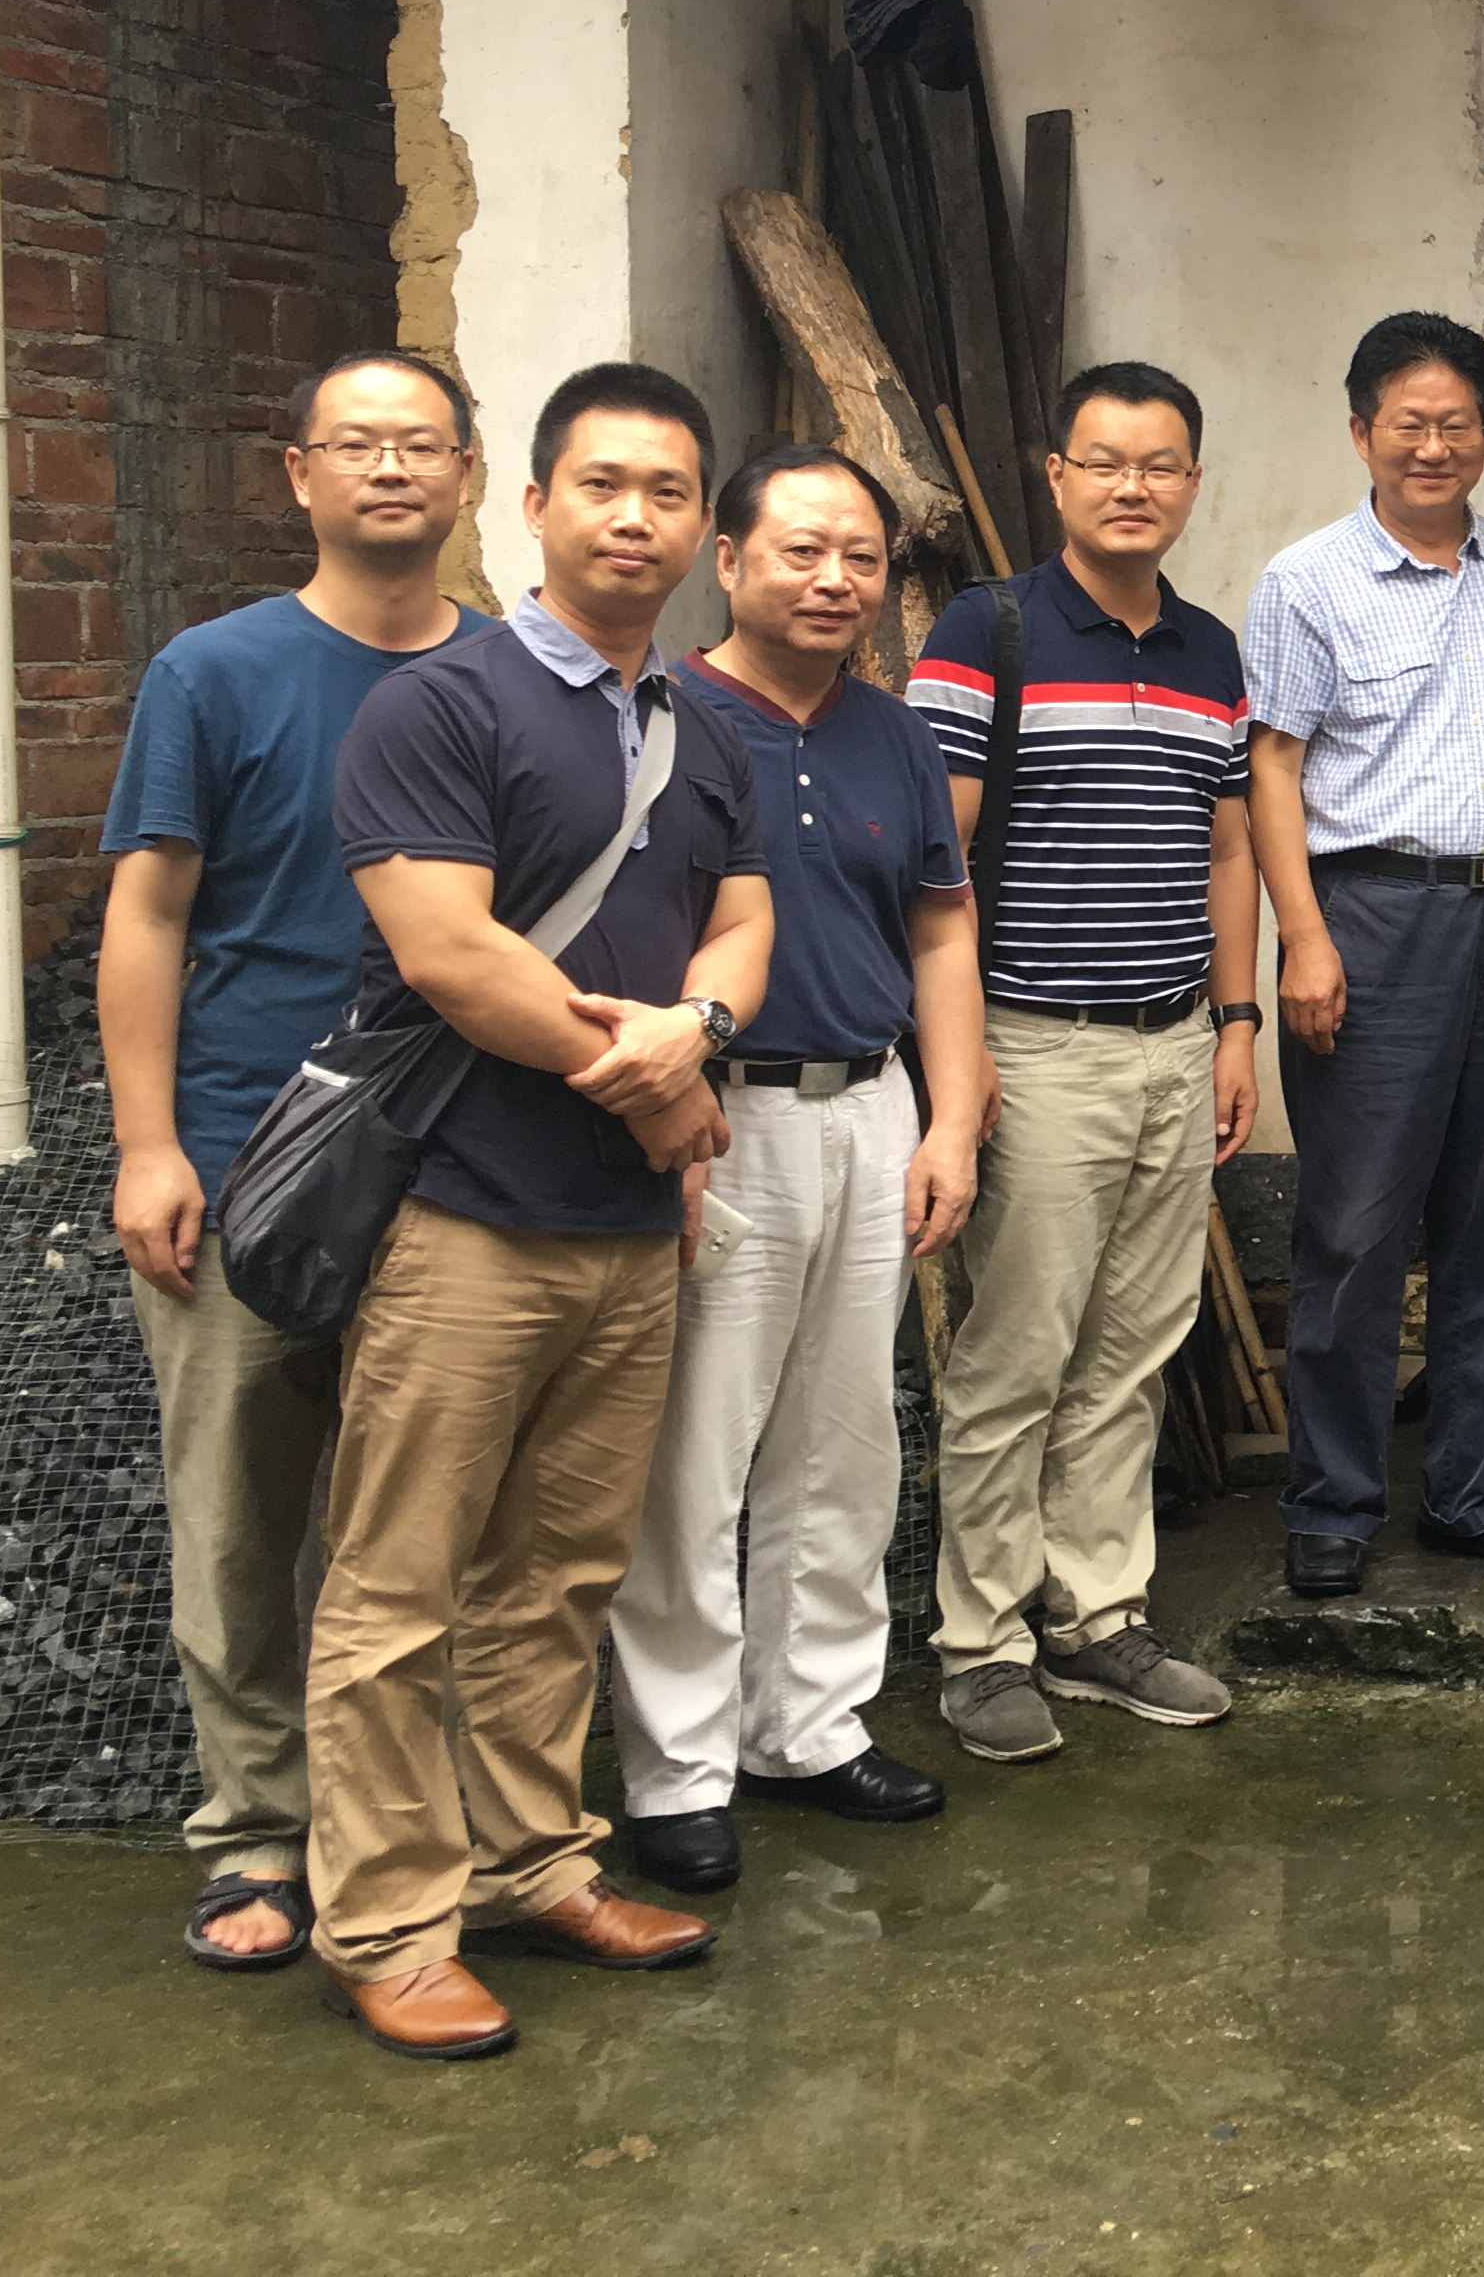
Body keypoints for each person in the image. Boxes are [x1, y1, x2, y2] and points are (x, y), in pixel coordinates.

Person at [309, 363, 774, 2060]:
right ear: (533, 505)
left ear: (700, 529)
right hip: (465, 1214)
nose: (635, 518)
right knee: (397, 1588)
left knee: (559, 1574)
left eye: (668, 491)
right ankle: (387, 1923)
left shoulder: (703, 726)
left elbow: (744, 923)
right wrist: (655, 1085)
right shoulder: (442, 706)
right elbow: (450, 952)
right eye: (603, 484)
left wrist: (700, 1025)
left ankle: (531, 1864)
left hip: (625, 1235)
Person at [98, 351, 486, 1979]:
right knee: (244, 1515)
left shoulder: (509, 678)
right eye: (358, 443)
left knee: (426, 1520)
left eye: (421, 444)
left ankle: (407, 1825)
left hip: (462, 1167)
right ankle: (257, 1828)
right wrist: (147, 1144)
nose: (390, 468)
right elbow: (148, 912)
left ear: (468, 474)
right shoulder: (213, 672)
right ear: (300, 474)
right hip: (245, 1158)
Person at [607, 448, 986, 1888]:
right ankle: (678, 1768)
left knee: (844, 1441)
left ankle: (809, 1725)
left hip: (871, 1106)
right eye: (802, 551)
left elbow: (940, 929)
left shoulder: (897, 733)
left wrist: (950, 1121)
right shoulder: (664, 715)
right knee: (696, 1453)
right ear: (729, 559)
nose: (835, 580)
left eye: (861, 559)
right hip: (722, 1120)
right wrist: (669, 1119)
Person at [1246, 312, 1484, 1597]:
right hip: (1375, 917)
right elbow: (1273, 769)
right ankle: (1334, 1504)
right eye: (1407, 424)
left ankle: (1478, 1492)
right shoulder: (1308, 581)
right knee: (1356, 1227)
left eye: (1455, 424)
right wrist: (1303, 938)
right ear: (1362, 433)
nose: (1433, 446)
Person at [909, 362, 1260, 1765]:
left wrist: (1235, 1026)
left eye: (1160, 464)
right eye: (1105, 461)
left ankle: (1098, 1616)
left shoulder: (1210, 652)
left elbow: (1228, 852)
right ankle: (983, 1643)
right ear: (1055, 475)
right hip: (1034, 1048)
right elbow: (935, 864)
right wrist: (960, 1067)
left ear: (1192, 484)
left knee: (1131, 1352)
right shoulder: (987, 629)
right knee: (1017, 1353)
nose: (1133, 486)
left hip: (1174, 1045)